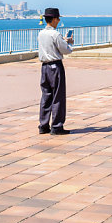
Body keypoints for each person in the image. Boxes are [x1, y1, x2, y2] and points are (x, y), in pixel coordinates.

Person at [38, 7, 74, 135]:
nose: (58, 21)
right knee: (58, 96)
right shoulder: (55, 34)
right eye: (58, 18)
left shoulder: (41, 33)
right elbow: (66, 50)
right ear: (53, 19)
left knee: (46, 96)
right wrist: (69, 43)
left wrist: (62, 42)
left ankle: (43, 125)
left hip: (44, 67)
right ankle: (57, 126)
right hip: (55, 66)